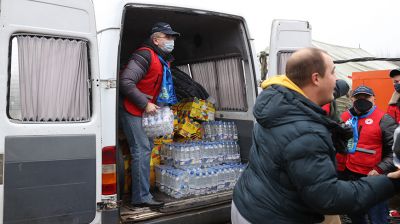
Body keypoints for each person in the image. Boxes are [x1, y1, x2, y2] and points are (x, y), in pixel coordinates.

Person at [232, 48, 400, 224]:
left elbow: (329, 89)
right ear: (316, 79)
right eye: (333, 72)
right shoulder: (307, 133)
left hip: (249, 201)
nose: (336, 79)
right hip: (271, 216)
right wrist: (390, 183)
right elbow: (330, 198)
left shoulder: (277, 101)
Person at [118, 22, 180, 208]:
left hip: (145, 109)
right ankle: (141, 197)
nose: (172, 41)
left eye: (173, 38)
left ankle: (142, 192)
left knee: (147, 147)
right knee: (142, 149)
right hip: (133, 107)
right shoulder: (144, 55)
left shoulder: (161, 59)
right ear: (156, 40)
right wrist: (145, 103)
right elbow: (126, 82)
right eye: (167, 37)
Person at [336, 85, 397, 224]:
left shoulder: (384, 120)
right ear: (352, 99)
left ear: (374, 99)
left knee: (377, 217)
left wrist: (379, 169)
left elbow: (394, 152)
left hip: (372, 177)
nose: (362, 100)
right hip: (346, 177)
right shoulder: (343, 117)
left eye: (367, 97)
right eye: (358, 97)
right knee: (355, 215)